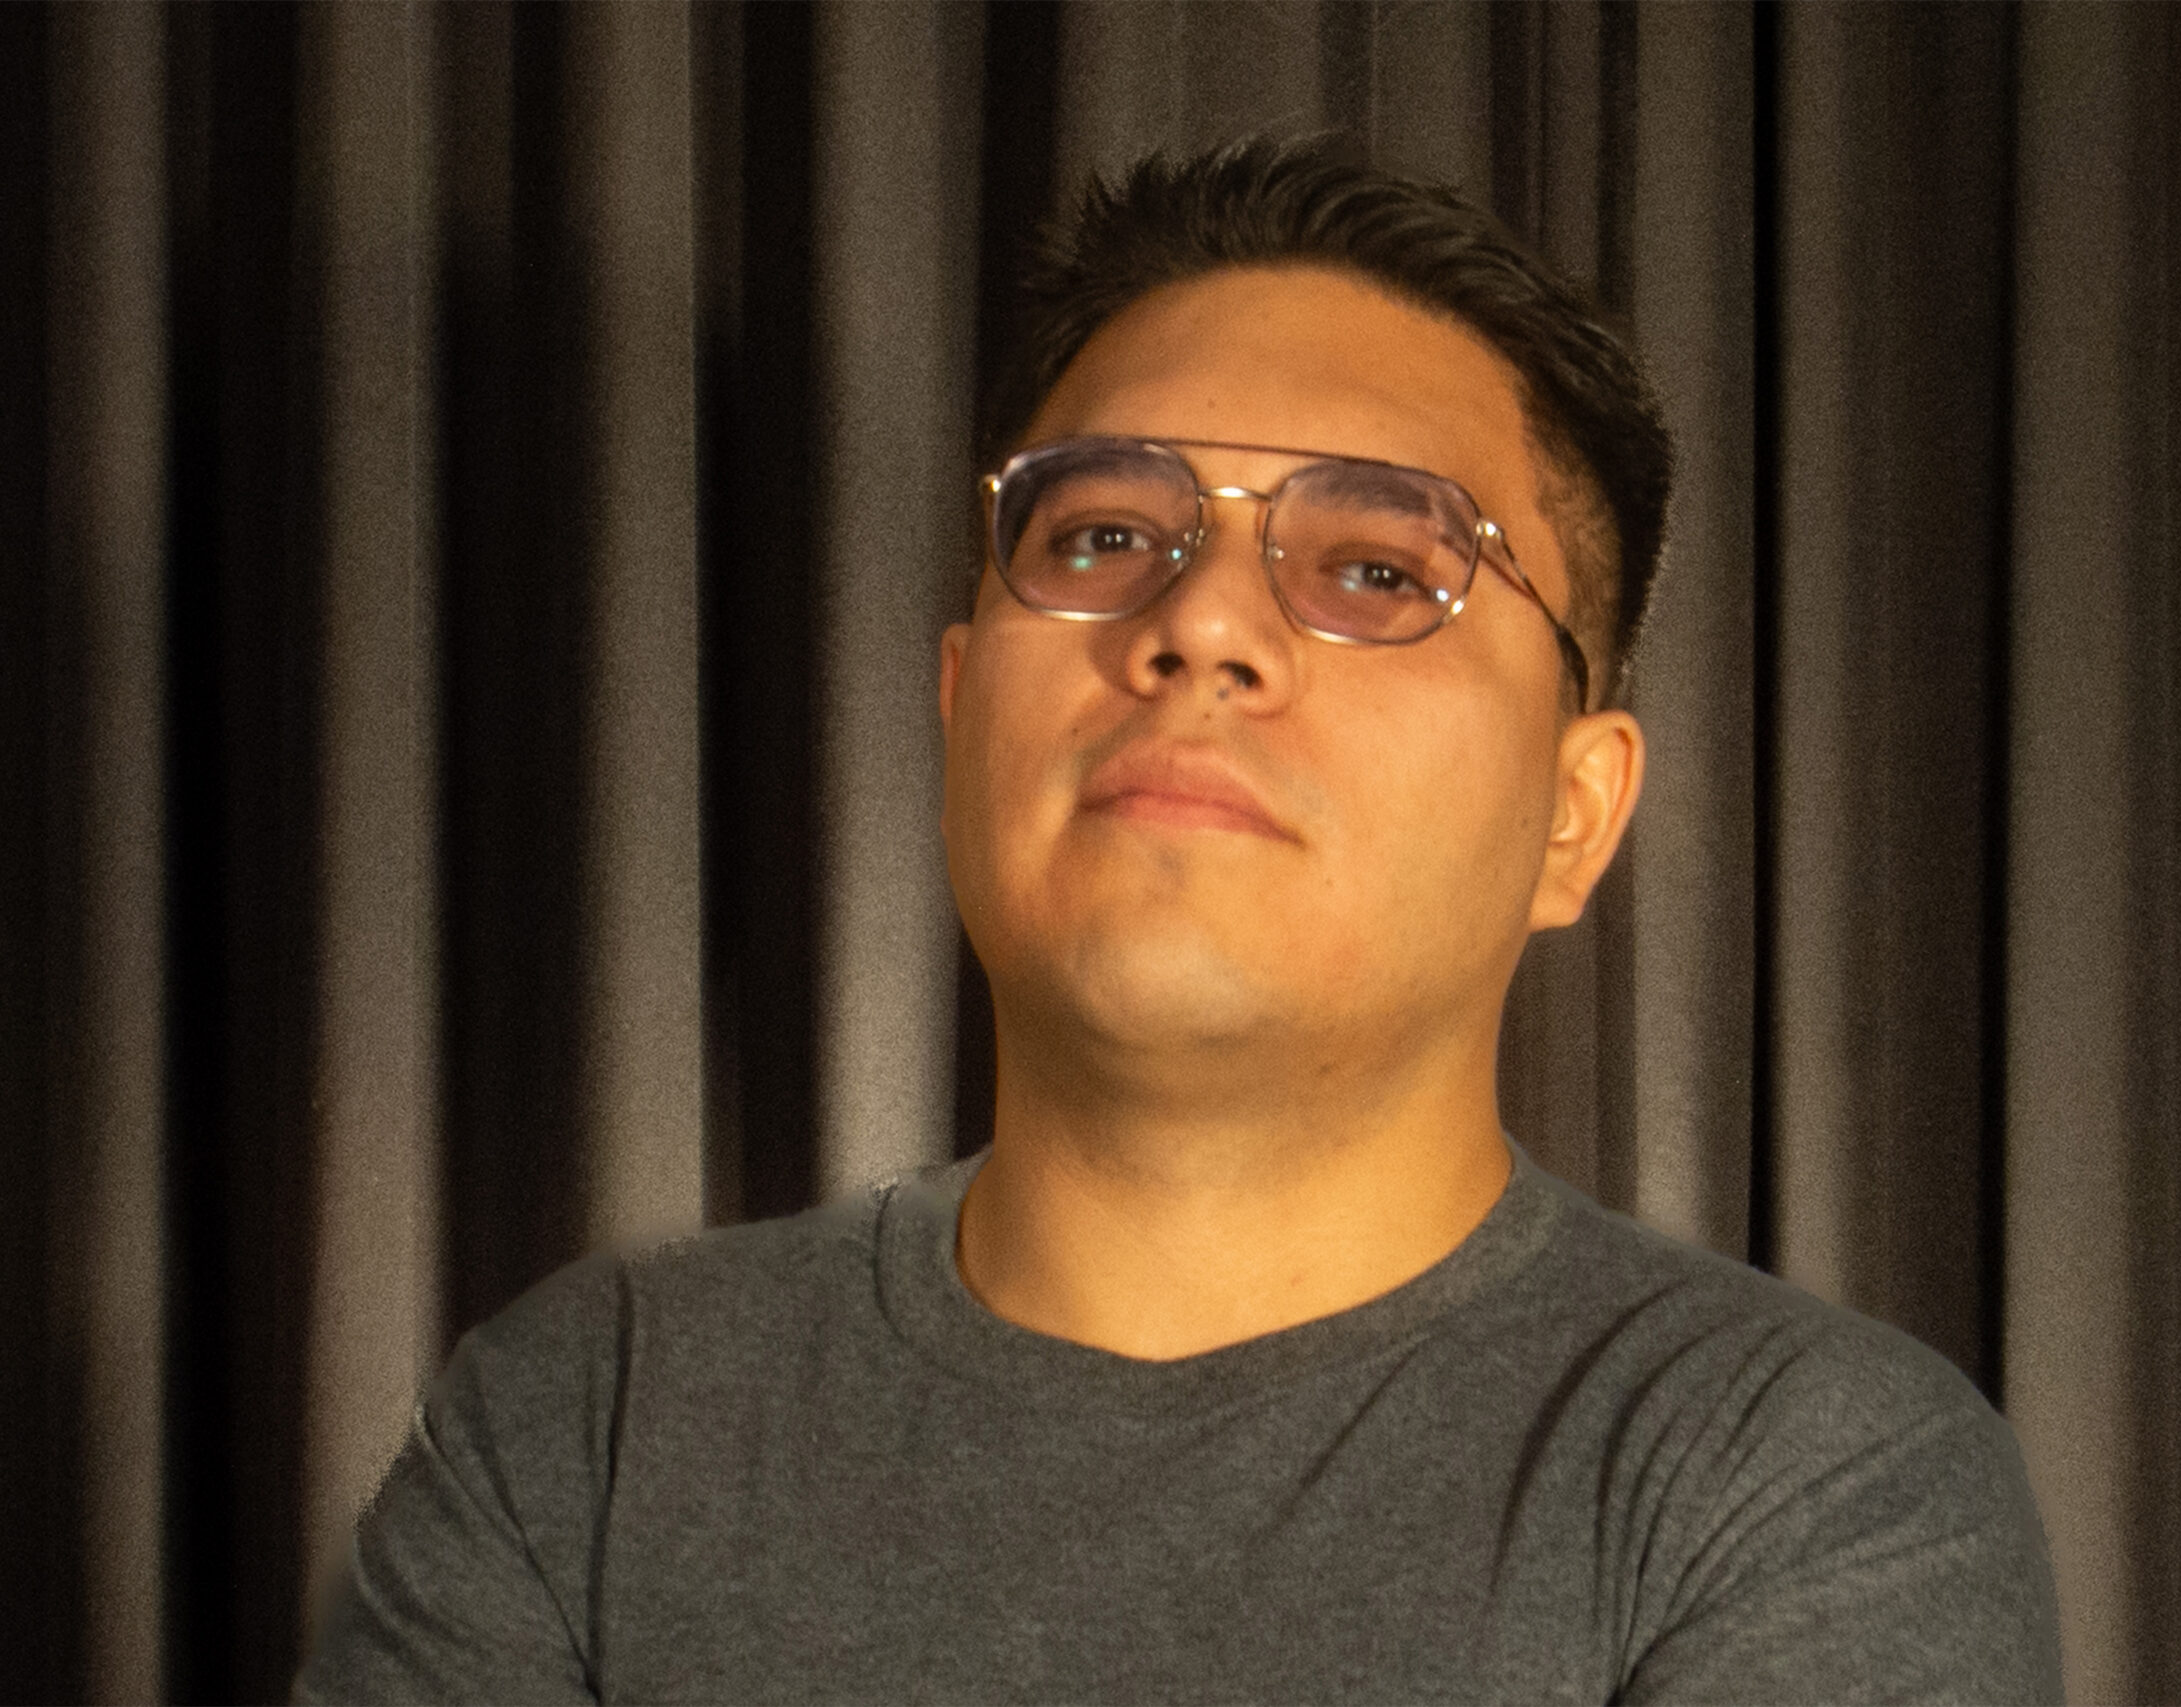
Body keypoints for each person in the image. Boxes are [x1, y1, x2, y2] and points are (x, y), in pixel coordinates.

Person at [298, 137, 2061, 1705]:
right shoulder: (583, 1431)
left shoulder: (1802, 1482)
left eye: (1379, 569)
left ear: (1573, 813)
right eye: (1102, 537)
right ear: (961, 706)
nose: (1203, 623)